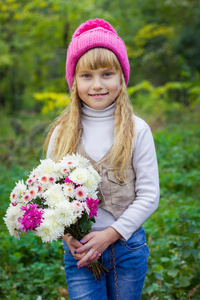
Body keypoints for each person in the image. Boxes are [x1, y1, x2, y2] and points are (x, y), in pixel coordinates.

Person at [45, 18, 159, 300]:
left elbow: (149, 195)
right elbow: (50, 195)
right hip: (80, 250)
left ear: (121, 77)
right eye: (86, 76)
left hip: (126, 248)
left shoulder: (137, 129)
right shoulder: (62, 133)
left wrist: (111, 234)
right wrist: (69, 237)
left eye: (107, 74)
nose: (97, 85)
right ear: (74, 82)